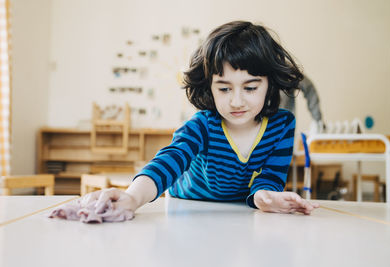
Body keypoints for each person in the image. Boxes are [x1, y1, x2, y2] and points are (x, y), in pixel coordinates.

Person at [87, 21, 319, 216]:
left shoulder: (282, 125)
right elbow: (170, 160)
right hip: (186, 207)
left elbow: (271, 176)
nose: (236, 101)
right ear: (210, 87)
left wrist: (264, 197)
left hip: (237, 213)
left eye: (250, 88)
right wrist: (132, 197)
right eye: (224, 89)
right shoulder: (202, 125)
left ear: (270, 84)